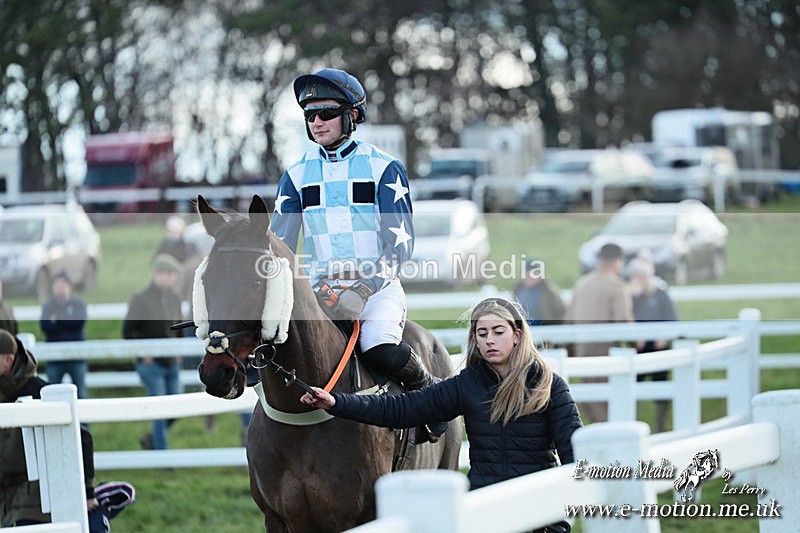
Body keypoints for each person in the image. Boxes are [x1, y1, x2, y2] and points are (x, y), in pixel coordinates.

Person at [270, 68, 446, 439]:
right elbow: (279, 246)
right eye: (309, 115)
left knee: (378, 346)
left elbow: (400, 244)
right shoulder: (296, 174)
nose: (316, 122)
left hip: (376, 291)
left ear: (352, 115)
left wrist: (363, 289)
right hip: (320, 294)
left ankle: (432, 397)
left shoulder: (384, 167)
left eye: (326, 113)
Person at [301, 298, 582, 501]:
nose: (489, 341)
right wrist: (337, 402)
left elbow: (574, 452)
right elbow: (402, 408)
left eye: (498, 332)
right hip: (486, 505)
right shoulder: (467, 385)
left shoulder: (549, 386)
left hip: (541, 505)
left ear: (517, 335)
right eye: (482, 334)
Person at [0, 329, 134, 531]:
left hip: (36, 493)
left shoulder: (37, 391)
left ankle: (92, 506)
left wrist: (87, 492)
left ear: (8, 361)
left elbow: (82, 437)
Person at [564, 243, 634, 423]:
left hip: (582, 352)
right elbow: (623, 322)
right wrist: (637, 343)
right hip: (607, 353)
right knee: (611, 405)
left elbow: (569, 320)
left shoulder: (581, 284)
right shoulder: (616, 285)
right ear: (615, 262)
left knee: (592, 402)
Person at [122, 254, 184, 450]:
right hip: (151, 365)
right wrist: (142, 353)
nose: (173, 278)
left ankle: (152, 439)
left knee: (176, 408)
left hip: (172, 362)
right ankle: (163, 458)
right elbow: (127, 331)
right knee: (159, 411)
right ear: (158, 274)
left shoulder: (174, 298)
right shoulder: (140, 299)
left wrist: (179, 349)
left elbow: (179, 326)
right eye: (170, 274)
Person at [628, 255, 678, 433]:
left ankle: (661, 424)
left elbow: (672, 317)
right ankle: (633, 423)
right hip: (640, 348)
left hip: (659, 347)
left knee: (661, 386)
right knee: (634, 385)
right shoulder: (631, 297)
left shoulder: (660, 294)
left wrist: (664, 337)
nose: (639, 279)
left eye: (642, 275)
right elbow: (627, 318)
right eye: (636, 275)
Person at [39, 271, 89, 399]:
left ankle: (83, 419)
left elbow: (79, 323)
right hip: (54, 357)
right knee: (53, 394)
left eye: (63, 285)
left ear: (69, 286)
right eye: (57, 285)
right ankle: (55, 419)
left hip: (76, 356)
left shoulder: (78, 304)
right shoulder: (48, 306)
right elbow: (45, 326)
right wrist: (67, 320)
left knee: (81, 394)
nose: (60, 289)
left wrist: (57, 320)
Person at [513, 258, 567, 327]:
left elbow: (562, 312)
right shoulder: (517, 289)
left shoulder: (549, 292)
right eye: (528, 274)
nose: (531, 277)